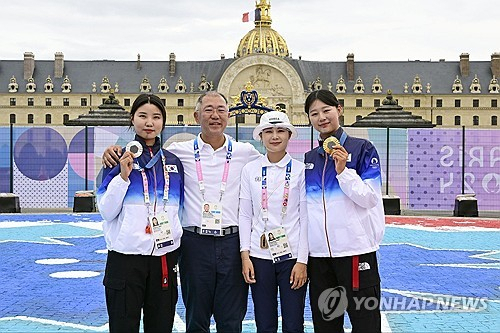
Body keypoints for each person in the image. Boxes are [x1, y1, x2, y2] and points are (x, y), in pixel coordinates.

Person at [102, 91, 261, 333]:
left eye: (220, 110)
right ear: (197, 116)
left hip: (227, 243)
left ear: (229, 115)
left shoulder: (245, 152)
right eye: (208, 110)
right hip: (191, 245)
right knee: (196, 319)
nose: (215, 115)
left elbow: (275, 167)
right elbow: (107, 208)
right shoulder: (177, 153)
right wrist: (116, 160)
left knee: (230, 320)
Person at [97, 93, 184, 332]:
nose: (149, 122)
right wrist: (123, 177)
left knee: (161, 326)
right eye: (143, 116)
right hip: (126, 260)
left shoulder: (174, 162)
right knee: (123, 326)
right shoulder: (117, 158)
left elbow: (181, 209)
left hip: (164, 258)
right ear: (132, 119)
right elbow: (106, 210)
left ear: (163, 122)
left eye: (156, 117)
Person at [304, 89, 385, 333]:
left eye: (326, 110)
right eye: (314, 113)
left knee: (365, 324)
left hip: (355, 254)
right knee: (326, 325)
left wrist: (343, 172)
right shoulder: (310, 158)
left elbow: (370, 198)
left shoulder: (362, 149)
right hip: (319, 260)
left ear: (339, 109)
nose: (321, 118)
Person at [239, 111, 308, 333]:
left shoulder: (300, 170)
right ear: (261, 136)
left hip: (293, 256)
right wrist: (245, 255)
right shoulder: (250, 170)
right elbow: (245, 214)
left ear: (289, 135)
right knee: (264, 322)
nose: (275, 136)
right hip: (259, 257)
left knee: (293, 322)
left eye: (280, 131)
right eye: (268, 131)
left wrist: (303, 262)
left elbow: (306, 218)